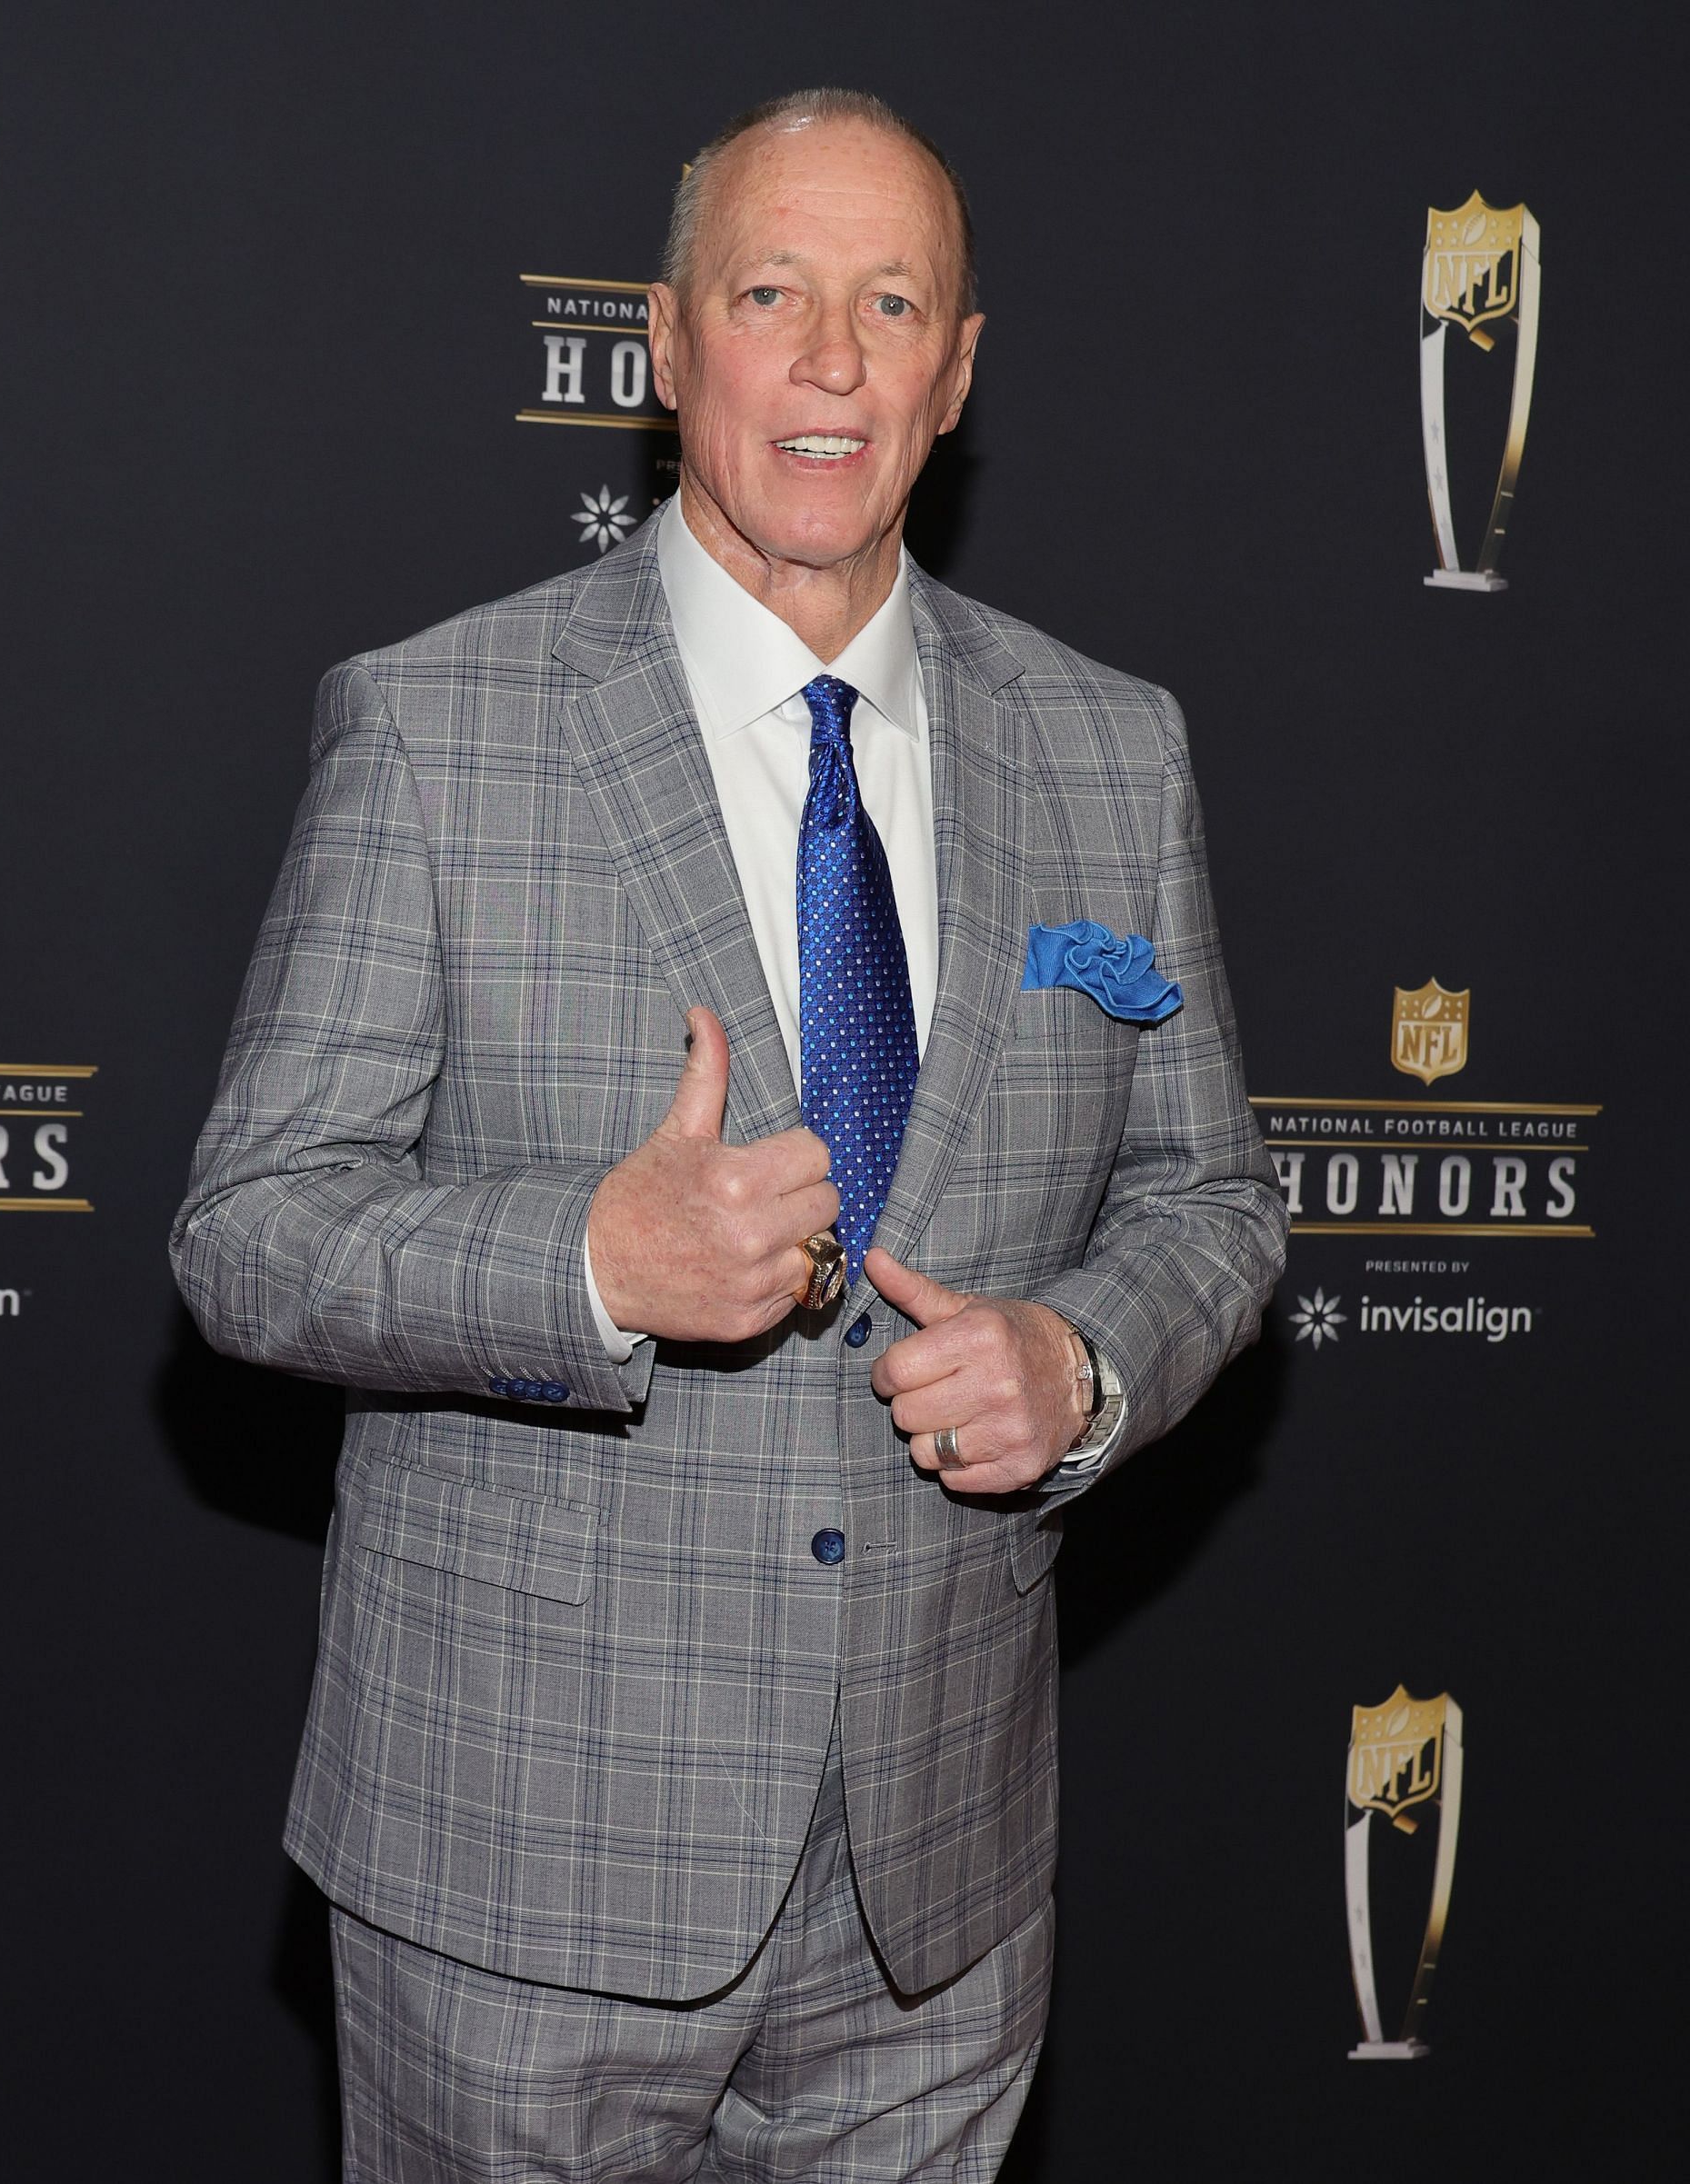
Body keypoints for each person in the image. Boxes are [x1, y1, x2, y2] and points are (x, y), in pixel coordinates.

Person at [172, 85, 1285, 2183]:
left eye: (894, 303)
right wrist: (594, 1261)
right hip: (525, 1877)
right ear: (668, 345)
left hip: (936, 1896)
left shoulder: (1111, 744)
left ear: (960, 370)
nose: (835, 359)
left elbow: (1209, 1194)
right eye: (775, 294)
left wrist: (1087, 1362)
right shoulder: (435, 727)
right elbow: (249, 1230)